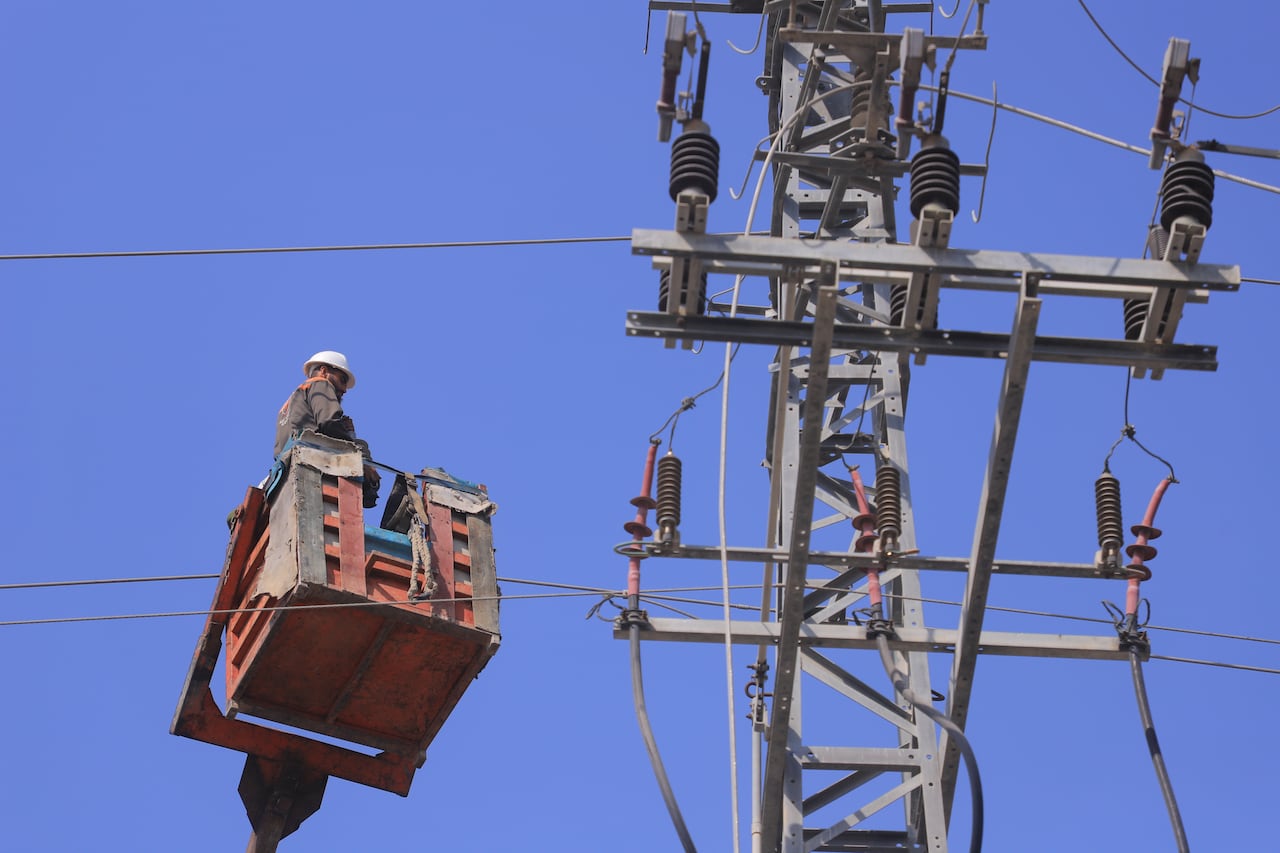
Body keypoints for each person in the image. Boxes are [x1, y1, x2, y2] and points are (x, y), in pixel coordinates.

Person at [274, 350, 381, 508]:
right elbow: (329, 422)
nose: (344, 389)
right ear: (324, 371)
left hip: (287, 465)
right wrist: (359, 457)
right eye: (342, 380)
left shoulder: (293, 399)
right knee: (362, 450)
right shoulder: (320, 383)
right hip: (312, 457)